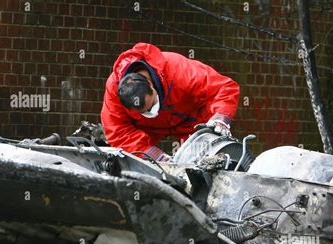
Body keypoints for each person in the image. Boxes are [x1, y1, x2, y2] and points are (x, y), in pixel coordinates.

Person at [100, 43, 240, 161]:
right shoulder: (114, 92)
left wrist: (221, 118)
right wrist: (152, 155)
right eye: (145, 111)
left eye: (152, 104)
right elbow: (118, 132)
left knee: (204, 166)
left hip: (191, 120)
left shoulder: (178, 70)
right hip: (149, 129)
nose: (152, 112)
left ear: (150, 84)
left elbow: (224, 87)